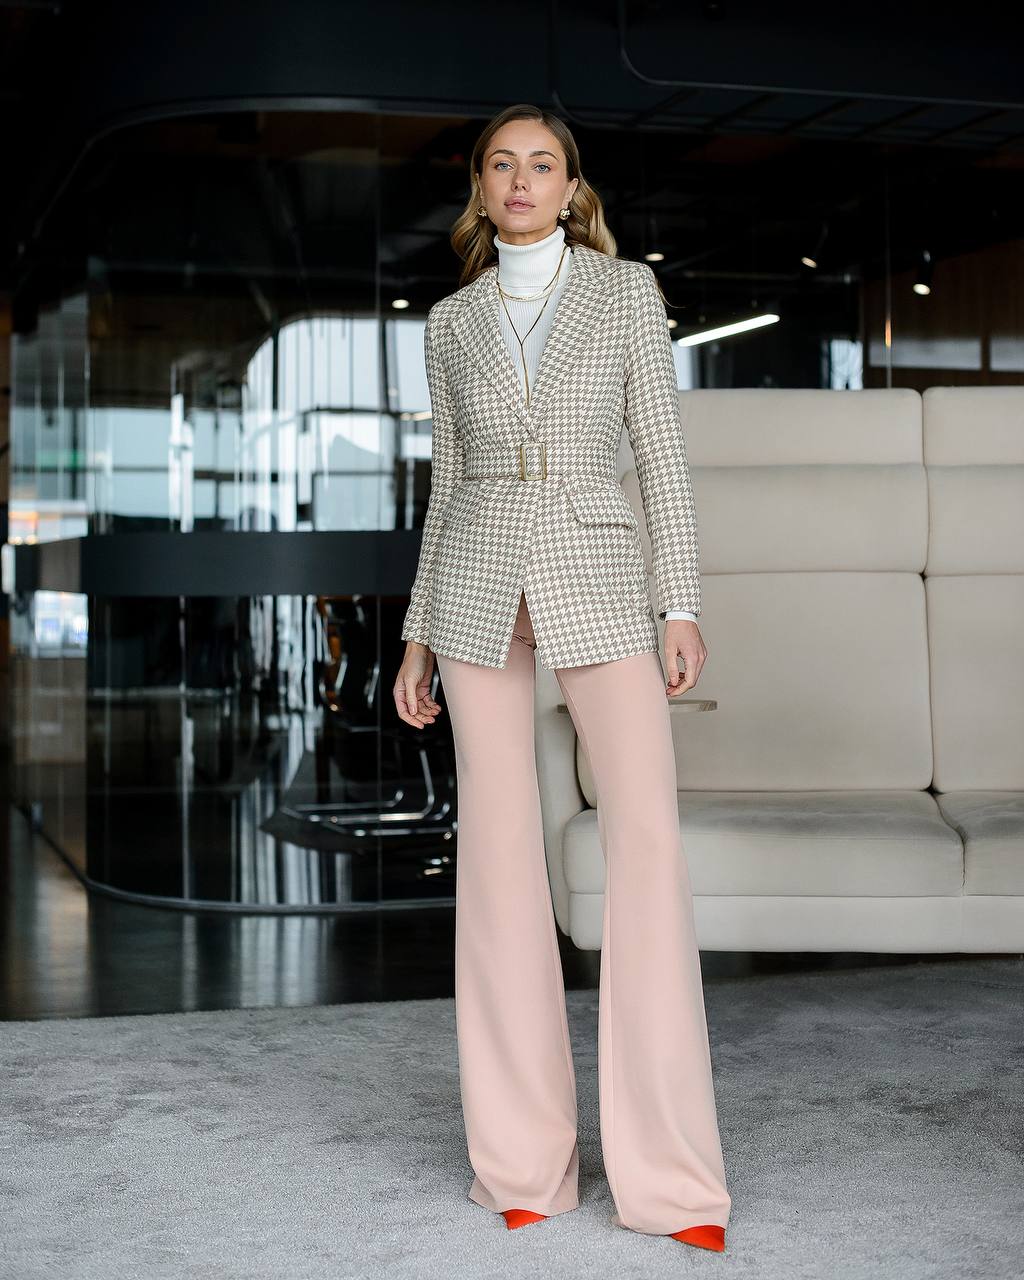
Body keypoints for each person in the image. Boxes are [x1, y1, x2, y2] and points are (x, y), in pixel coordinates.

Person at [392, 102, 731, 1253]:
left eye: (543, 164)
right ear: (482, 190)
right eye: (503, 164)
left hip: (599, 572)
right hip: (479, 583)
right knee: (496, 867)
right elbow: (445, 486)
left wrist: (677, 601)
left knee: (645, 848)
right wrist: (415, 635)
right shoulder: (449, 322)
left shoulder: (625, 290)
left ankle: (672, 1179)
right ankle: (522, 1163)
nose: (523, 180)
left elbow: (659, 454)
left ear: (571, 186)